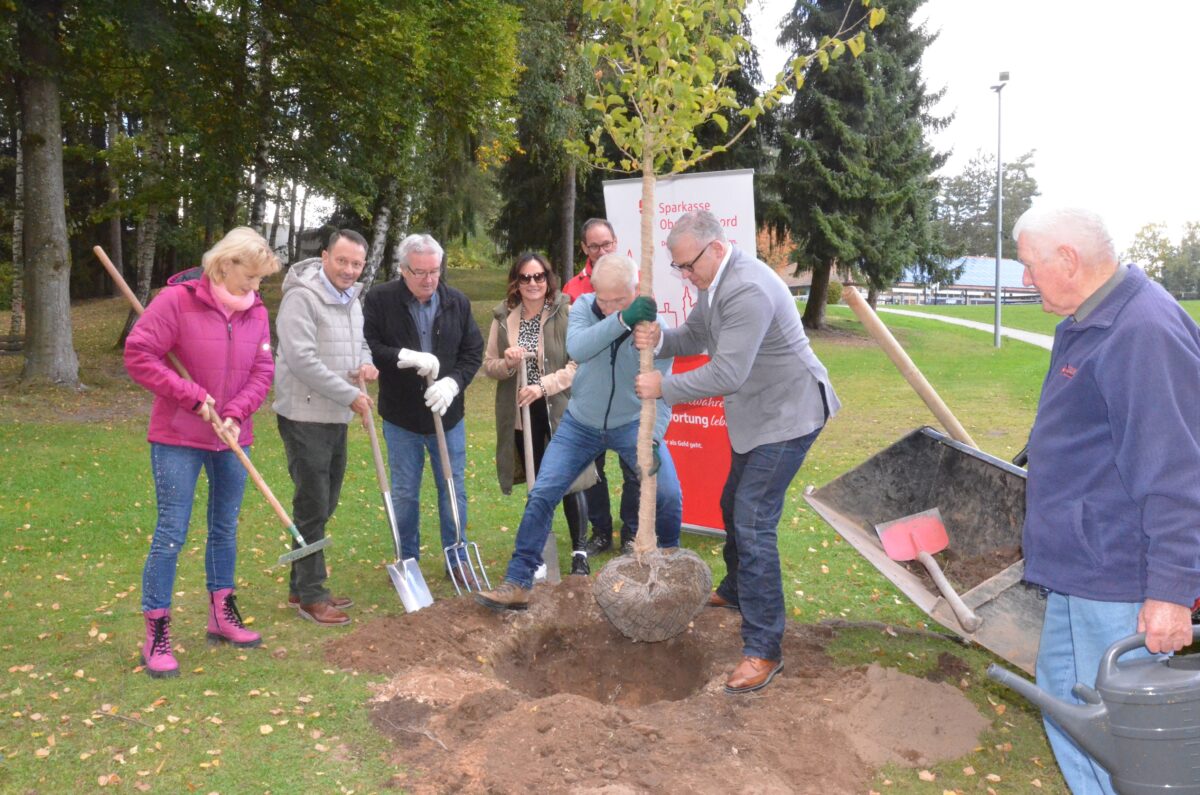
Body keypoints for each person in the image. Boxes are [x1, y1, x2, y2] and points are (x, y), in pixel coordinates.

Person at [1011, 206, 1200, 794]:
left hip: (1118, 573)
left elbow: (1176, 472)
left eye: (1029, 266)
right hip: (1079, 564)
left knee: (1123, 734)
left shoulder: (1142, 332)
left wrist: (1170, 590)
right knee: (1068, 702)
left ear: (1068, 259)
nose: (1025, 280)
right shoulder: (1089, 318)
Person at [634, 210, 838, 695]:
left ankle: (764, 648)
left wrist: (663, 386)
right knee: (732, 504)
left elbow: (727, 374)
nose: (685, 275)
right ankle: (739, 588)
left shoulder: (747, 288)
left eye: (688, 265)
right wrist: (661, 336)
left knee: (751, 519)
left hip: (790, 414)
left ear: (717, 248)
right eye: (679, 268)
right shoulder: (714, 282)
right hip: (758, 416)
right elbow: (696, 336)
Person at [475, 253, 682, 611]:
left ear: (636, 290)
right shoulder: (583, 307)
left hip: (633, 424)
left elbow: (661, 390)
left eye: (619, 299)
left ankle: (669, 579)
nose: (608, 305)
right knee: (543, 493)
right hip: (580, 423)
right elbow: (579, 348)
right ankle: (519, 582)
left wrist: (653, 435)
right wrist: (621, 318)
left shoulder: (653, 328)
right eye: (604, 297)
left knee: (666, 493)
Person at [124, 226, 280, 679]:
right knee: (172, 530)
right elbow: (140, 354)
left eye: (260, 280)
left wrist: (235, 412)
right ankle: (156, 631)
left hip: (232, 434)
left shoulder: (256, 313)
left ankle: (221, 614)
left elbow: (262, 370)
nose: (254, 287)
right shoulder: (176, 302)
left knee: (225, 527)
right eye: (249, 276)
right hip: (178, 436)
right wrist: (190, 395)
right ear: (225, 264)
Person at [273, 229, 379, 626]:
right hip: (304, 415)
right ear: (324, 257)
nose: (349, 270)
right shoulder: (301, 297)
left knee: (323, 501)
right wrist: (347, 394)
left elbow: (359, 344)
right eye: (342, 261)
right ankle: (312, 596)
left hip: (335, 415)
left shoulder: (352, 299)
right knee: (314, 503)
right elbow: (300, 359)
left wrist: (366, 364)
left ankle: (300, 585)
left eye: (356, 264)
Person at [363, 233, 483, 579]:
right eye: (420, 272)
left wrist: (453, 383)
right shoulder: (381, 300)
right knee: (403, 491)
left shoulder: (456, 302)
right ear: (403, 270)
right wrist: (403, 356)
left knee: (452, 486)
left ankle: (457, 557)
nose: (430, 279)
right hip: (402, 417)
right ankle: (407, 560)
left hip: (448, 415)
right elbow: (370, 346)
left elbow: (472, 352)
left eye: (435, 271)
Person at [483, 252, 591, 576]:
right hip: (523, 414)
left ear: (548, 279)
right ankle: (539, 551)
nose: (533, 283)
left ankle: (579, 552)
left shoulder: (567, 312)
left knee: (570, 480)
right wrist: (510, 362)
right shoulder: (504, 317)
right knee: (538, 483)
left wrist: (543, 386)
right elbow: (490, 365)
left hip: (558, 408)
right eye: (526, 277)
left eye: (539, 276)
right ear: (516, 281)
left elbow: (579, 363)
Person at [566, 218, 640, 556]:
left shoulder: (634, 280)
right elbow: (575, 346)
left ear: (616, 241)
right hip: (591, 400)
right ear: (584, 248)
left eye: (607, 244)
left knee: (634, 471)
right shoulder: (574, 291)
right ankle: (600, 532)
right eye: (594, 246)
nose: (601, 250)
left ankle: (631, 534)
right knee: (592, 471)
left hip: (627, 400)